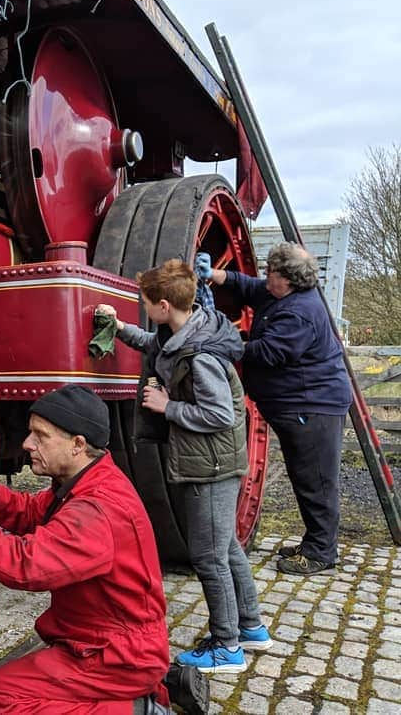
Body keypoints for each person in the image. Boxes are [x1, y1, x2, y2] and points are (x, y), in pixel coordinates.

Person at [0, 385, 175, 714]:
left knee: (5, 697)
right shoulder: (86, 479)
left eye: (40, 435)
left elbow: (26, 565)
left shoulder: (97, 509)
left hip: (117, 655)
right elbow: (32, 514)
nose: (27, 444)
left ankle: (138, 711)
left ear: (78, 444)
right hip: (100, 641)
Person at [97, 259, 271, 674]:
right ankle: (251, 627)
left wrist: (167, 406)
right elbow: (154, 346)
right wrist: (118, 327)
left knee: (209, 558)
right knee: (226, 548)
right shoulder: (185, 331)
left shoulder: (200, 355)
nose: (144, 311)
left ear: (162, 306)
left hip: (209, 466)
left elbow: (220, 415)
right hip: (212, 462)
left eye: (145, 305)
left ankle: (227, 648)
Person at [196, 242, 352, 575]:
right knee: (305, 475)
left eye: (272, 273)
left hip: (313, 406)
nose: (266, 277)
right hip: (299, 405)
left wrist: (222, 344)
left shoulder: (300, 312)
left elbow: (268, 352)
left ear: (289, 279)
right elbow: (247, 286)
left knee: (316, 480)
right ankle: (315, 541)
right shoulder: (279, 294)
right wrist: (214, 275)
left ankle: (322, 553)